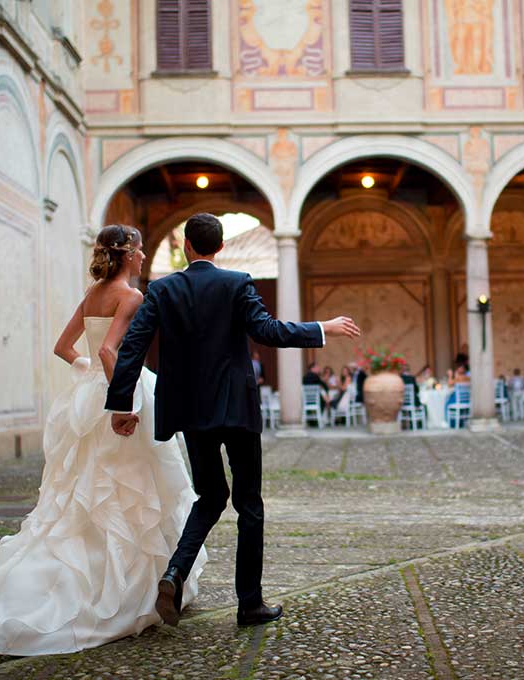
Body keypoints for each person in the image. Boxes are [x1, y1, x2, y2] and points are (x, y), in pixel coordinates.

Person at [0, 225, 208, 655]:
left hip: (89, 396)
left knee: (87, 489)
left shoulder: (91, 295)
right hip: (122, 395)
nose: (142, 257)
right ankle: (122, 589)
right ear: (130, 255)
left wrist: (90, 378)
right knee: (131, 488)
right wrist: (120, 402)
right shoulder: (130, 296)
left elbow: (64, 347)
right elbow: (107, 350)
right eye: (139, 251)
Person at [105, 213, 361, 628]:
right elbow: (268, 331)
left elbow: (132, 346)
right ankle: (250, 604)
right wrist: (321, 328)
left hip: (191, 413)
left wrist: (120, 405)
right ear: (220, 248)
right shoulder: (237, 282)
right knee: (249, 506)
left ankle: (174, 573)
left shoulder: (163, 289)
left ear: (187, 246)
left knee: (209, 497)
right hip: (237, 411)